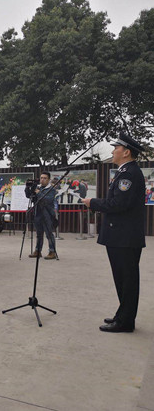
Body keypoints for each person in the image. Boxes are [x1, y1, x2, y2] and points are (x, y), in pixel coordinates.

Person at [81, 132, 146, 333]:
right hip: (121, 236)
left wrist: (94, 202)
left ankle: (125, 322)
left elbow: (119, 203)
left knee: (126, 279)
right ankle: (122, 315)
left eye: (116, 148)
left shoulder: (128, 174)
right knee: (122, 279)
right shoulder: (125, 171)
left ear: (126, 152)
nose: (113, 151)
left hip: (124, 237)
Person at [25, 172, 57, 260]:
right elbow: (29, 196)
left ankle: (52, 251)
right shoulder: (37, 187)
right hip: (37, 213)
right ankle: (38, 251)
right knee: (39, 234)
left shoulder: (51, 189)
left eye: (45, 178)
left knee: (49, 234)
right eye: (41, 178)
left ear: (49, 179)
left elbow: (48, 200)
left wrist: (38, 193)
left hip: (47, 214)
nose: (42, 180)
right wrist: (27, 188)